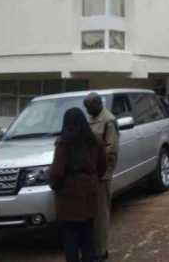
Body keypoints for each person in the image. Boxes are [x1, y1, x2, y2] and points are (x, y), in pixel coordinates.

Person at [50, 107, 106, 262]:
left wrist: (54, 185)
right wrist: (93, 180)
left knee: (70, 237)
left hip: (68, 195)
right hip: (89, 191)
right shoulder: (95, 140)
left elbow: (57, 171)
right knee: (88, 235)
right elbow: (102, 166)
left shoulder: (63, 142)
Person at [84, 93, 119, 261]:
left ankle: (101, 251)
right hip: (90, 174)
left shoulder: (108, 120)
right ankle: (94, 249)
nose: (87, 110)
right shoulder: (91, 117)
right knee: (91, 214)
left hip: (101, 174)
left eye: (89, 107)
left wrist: (100, 170)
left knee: (101, 214)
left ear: (97, 104)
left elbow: (111, 150)